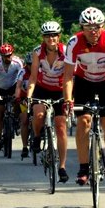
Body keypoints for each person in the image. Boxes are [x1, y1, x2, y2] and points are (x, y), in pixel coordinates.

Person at [63, 7, 105, 185]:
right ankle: (83, 167)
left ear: (102, 26)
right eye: (88, 27)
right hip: (84, 81)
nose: (93, 31)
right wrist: (68, 100)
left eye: (97, 26)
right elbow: (68, 76)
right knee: (83, 122)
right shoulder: (74, 42)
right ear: (81, 28)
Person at [25, 21, 70, 182]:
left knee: (61, 126)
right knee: (38, 114)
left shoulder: (66, 52)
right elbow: (33, 77)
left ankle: (62, 167)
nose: (51, 38)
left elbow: (71, 76)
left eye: (54, 35)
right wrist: (29, 96)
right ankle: (37, 136)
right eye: (47, 36)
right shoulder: (38, 52)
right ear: (43, 38)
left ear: (59, 37)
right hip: (42, 88)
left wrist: (70, 97)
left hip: (60, 89)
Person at [0, 43, 24, 152]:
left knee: (18, 102)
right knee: (0, 113)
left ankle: (17, 119)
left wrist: (18, 92)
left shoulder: (17, 62)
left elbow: (22, 76)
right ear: (1, 56)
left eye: (10, 55)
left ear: (12, 54)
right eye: (5, 56)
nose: (8, 58)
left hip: (13, 86)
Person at [16, 53, 33, 158]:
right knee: (25, 120)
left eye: (33, 64)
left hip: (36, 97)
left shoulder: (40, 70)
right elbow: (18, 86)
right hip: (24, 98)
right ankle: (25, 146)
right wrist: (18, 98)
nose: (31, 66)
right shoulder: (23, 71)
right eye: (29, 64)